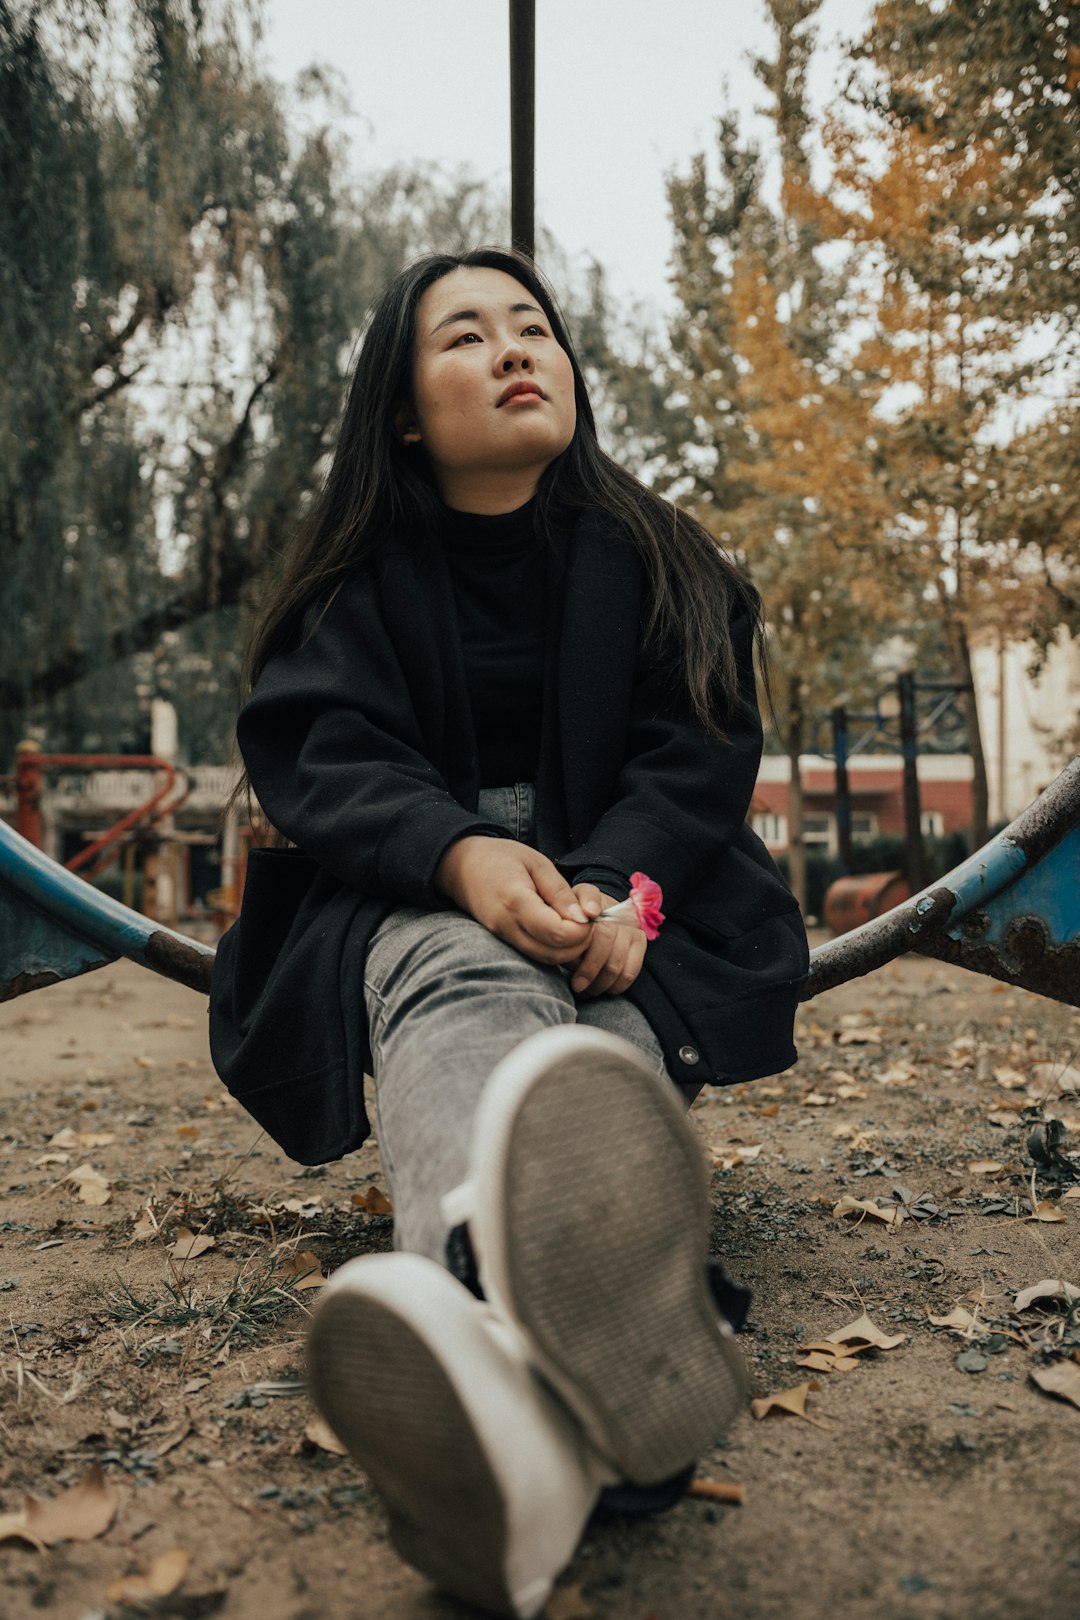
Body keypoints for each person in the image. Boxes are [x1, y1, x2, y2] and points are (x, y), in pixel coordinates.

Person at [209, 247, 809, 1618]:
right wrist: (461, 853)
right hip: (407, 903)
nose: (513, 350)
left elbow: (696, 754)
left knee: (599, 1036)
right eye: (466, 336)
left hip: (640, 914)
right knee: (461, 969)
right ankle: (528, 1274)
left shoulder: (662, 556)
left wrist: (624, 892)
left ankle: (509, 1345)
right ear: (406, 411)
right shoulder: (351, 586)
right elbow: (326, 757)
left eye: (532, 328)